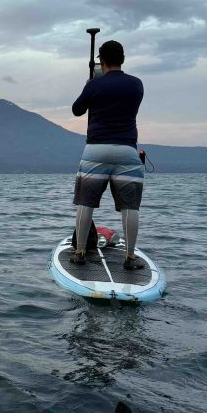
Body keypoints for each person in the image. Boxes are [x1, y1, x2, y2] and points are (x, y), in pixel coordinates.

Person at [70, 39, 145, 270]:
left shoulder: (94, 85)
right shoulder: (136, 84)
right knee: (130, 207)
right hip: (127, 150)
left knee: (86, 203)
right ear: (122, 59)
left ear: (101, 61)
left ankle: (80, 252)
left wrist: (89, 85)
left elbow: (77, 110)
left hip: (96, 149)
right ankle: (130, 258)